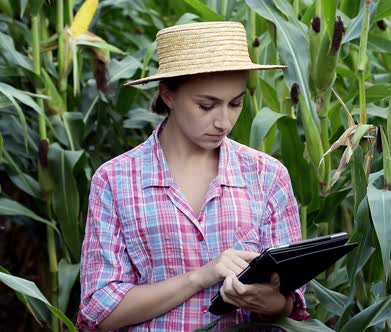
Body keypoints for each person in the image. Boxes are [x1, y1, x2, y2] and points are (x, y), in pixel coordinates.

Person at [75, 21, 308, 331]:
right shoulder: (115, 180)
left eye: (236, 103)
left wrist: (271, 303)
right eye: (206, 105)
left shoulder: (267, 176)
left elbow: (289, 301)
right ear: (168, 94)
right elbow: (98, 312)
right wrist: (202, 276)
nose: (224, 121)